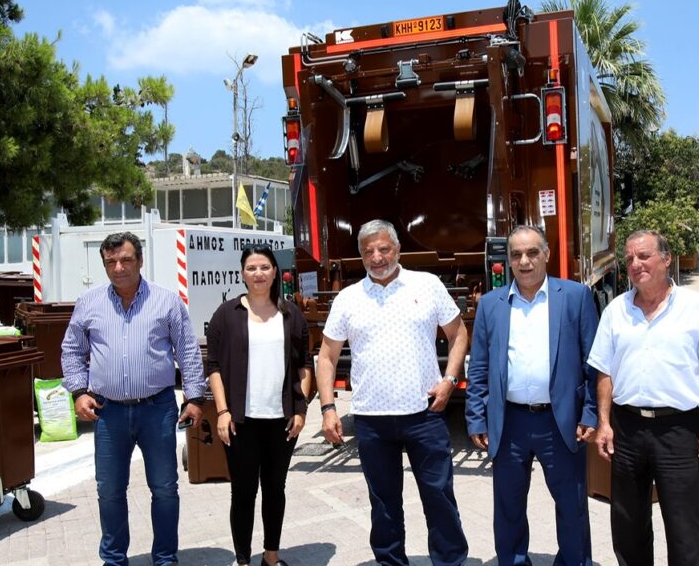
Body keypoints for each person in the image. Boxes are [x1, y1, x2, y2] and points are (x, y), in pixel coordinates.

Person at [316, 219, 470, 566]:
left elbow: (458, 333)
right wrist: (328, 408)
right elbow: (327, 356)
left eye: (384, 249)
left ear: (398, 249)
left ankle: (450, 561)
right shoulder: (348, 298)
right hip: (371, 420)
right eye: (368, 251)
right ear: (361, 256)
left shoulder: (426, 285)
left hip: (425, 414)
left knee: (439, 498)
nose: (377, 257)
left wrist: (449, 379)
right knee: (384, 504)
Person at [587, 229, 699, 566]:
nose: (636, 264)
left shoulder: (698, 308)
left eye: (644, 256)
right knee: (628, 524)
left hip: (679, 431)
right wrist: (604, 423)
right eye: (629, 259)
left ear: (666, 259)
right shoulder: (616, 311)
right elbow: (604, 373)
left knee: (686, 526)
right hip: (627, 429)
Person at [61, 231, 206, 566]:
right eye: (110, 261)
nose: (118, 267)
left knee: (164, 488)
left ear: (140, 261)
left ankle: (165, 558)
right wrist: (79, 392)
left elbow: (187, 351)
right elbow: (71, 350)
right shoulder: (89, 303)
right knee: (109, 490)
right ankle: (114, 559)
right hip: (108, 412)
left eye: (126, 259)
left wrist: (195, 397)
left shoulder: (166, 301)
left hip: (158, 410)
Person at [465, 225, 598, 566]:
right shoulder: (491, 305)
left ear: (547, 254)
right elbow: (478, 366)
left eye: (532, 253)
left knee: (571, 503)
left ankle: (574, 562)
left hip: (560, 421)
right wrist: (476, 417)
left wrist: (590, 413)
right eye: (516, 255)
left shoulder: (575, 296)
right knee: (508, 506)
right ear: (509, 260)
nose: (524, 261)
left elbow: (593, 364)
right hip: (510, 422)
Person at [205, 245, 312, 566]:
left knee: (275, 490)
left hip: (281, 420)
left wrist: (301, 408)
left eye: (264, 267)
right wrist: (222, 411)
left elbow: (305, 364)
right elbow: (214, 366)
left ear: (275, 271)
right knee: (243, 492)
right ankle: (242, 561)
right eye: (251, 268)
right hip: (241, 421)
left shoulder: (291, 314)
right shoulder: (226, 314)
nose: (258, 274)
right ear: (242, 273)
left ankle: (271, 557)